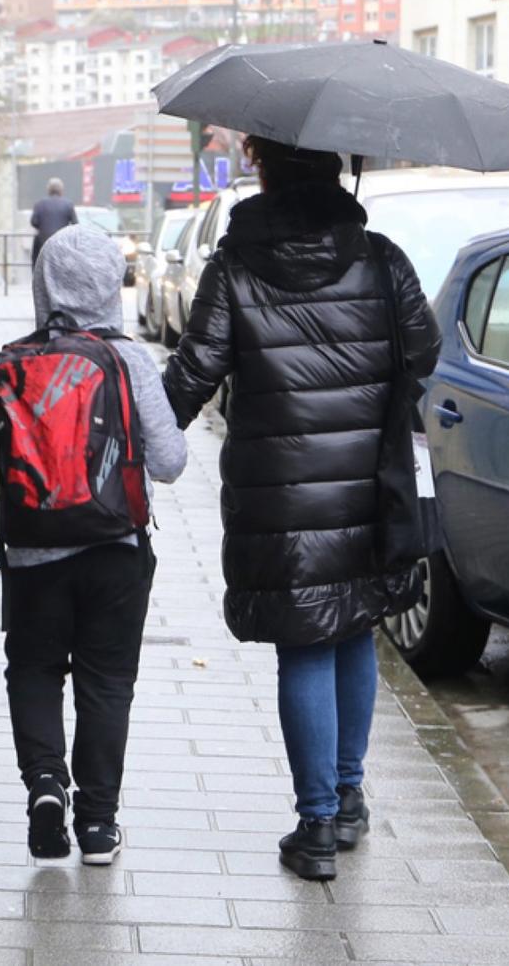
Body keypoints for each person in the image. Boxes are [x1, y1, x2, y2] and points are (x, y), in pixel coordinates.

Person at [163, 138, 440, 881]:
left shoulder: (235, 265)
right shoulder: (380, 258)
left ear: (264, 167)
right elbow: (424, 349)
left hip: (279, 491)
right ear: (333, 166)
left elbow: (193, 373)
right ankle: (347, 798)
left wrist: (135, 436)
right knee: (354, 627)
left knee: (307, 641)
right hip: (369, 483)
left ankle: (316, 825)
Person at [0, 225, 187, 864]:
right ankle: (97, 825)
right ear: (112, 286)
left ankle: (44, 782)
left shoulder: (11, 364)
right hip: (116, 549)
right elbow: (170, 462)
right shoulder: (129, 361)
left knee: (33, 669)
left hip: (32, 556)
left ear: (43, 283)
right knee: (107, 681)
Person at [30, 177, 78, 266]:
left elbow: (34, 222)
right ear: (61, 190)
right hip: (62, 242)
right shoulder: (68, 204)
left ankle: (35, 269)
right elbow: (75, 223)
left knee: (36, 249)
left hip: (43, 242)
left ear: (48, 190)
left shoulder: (39, 204)